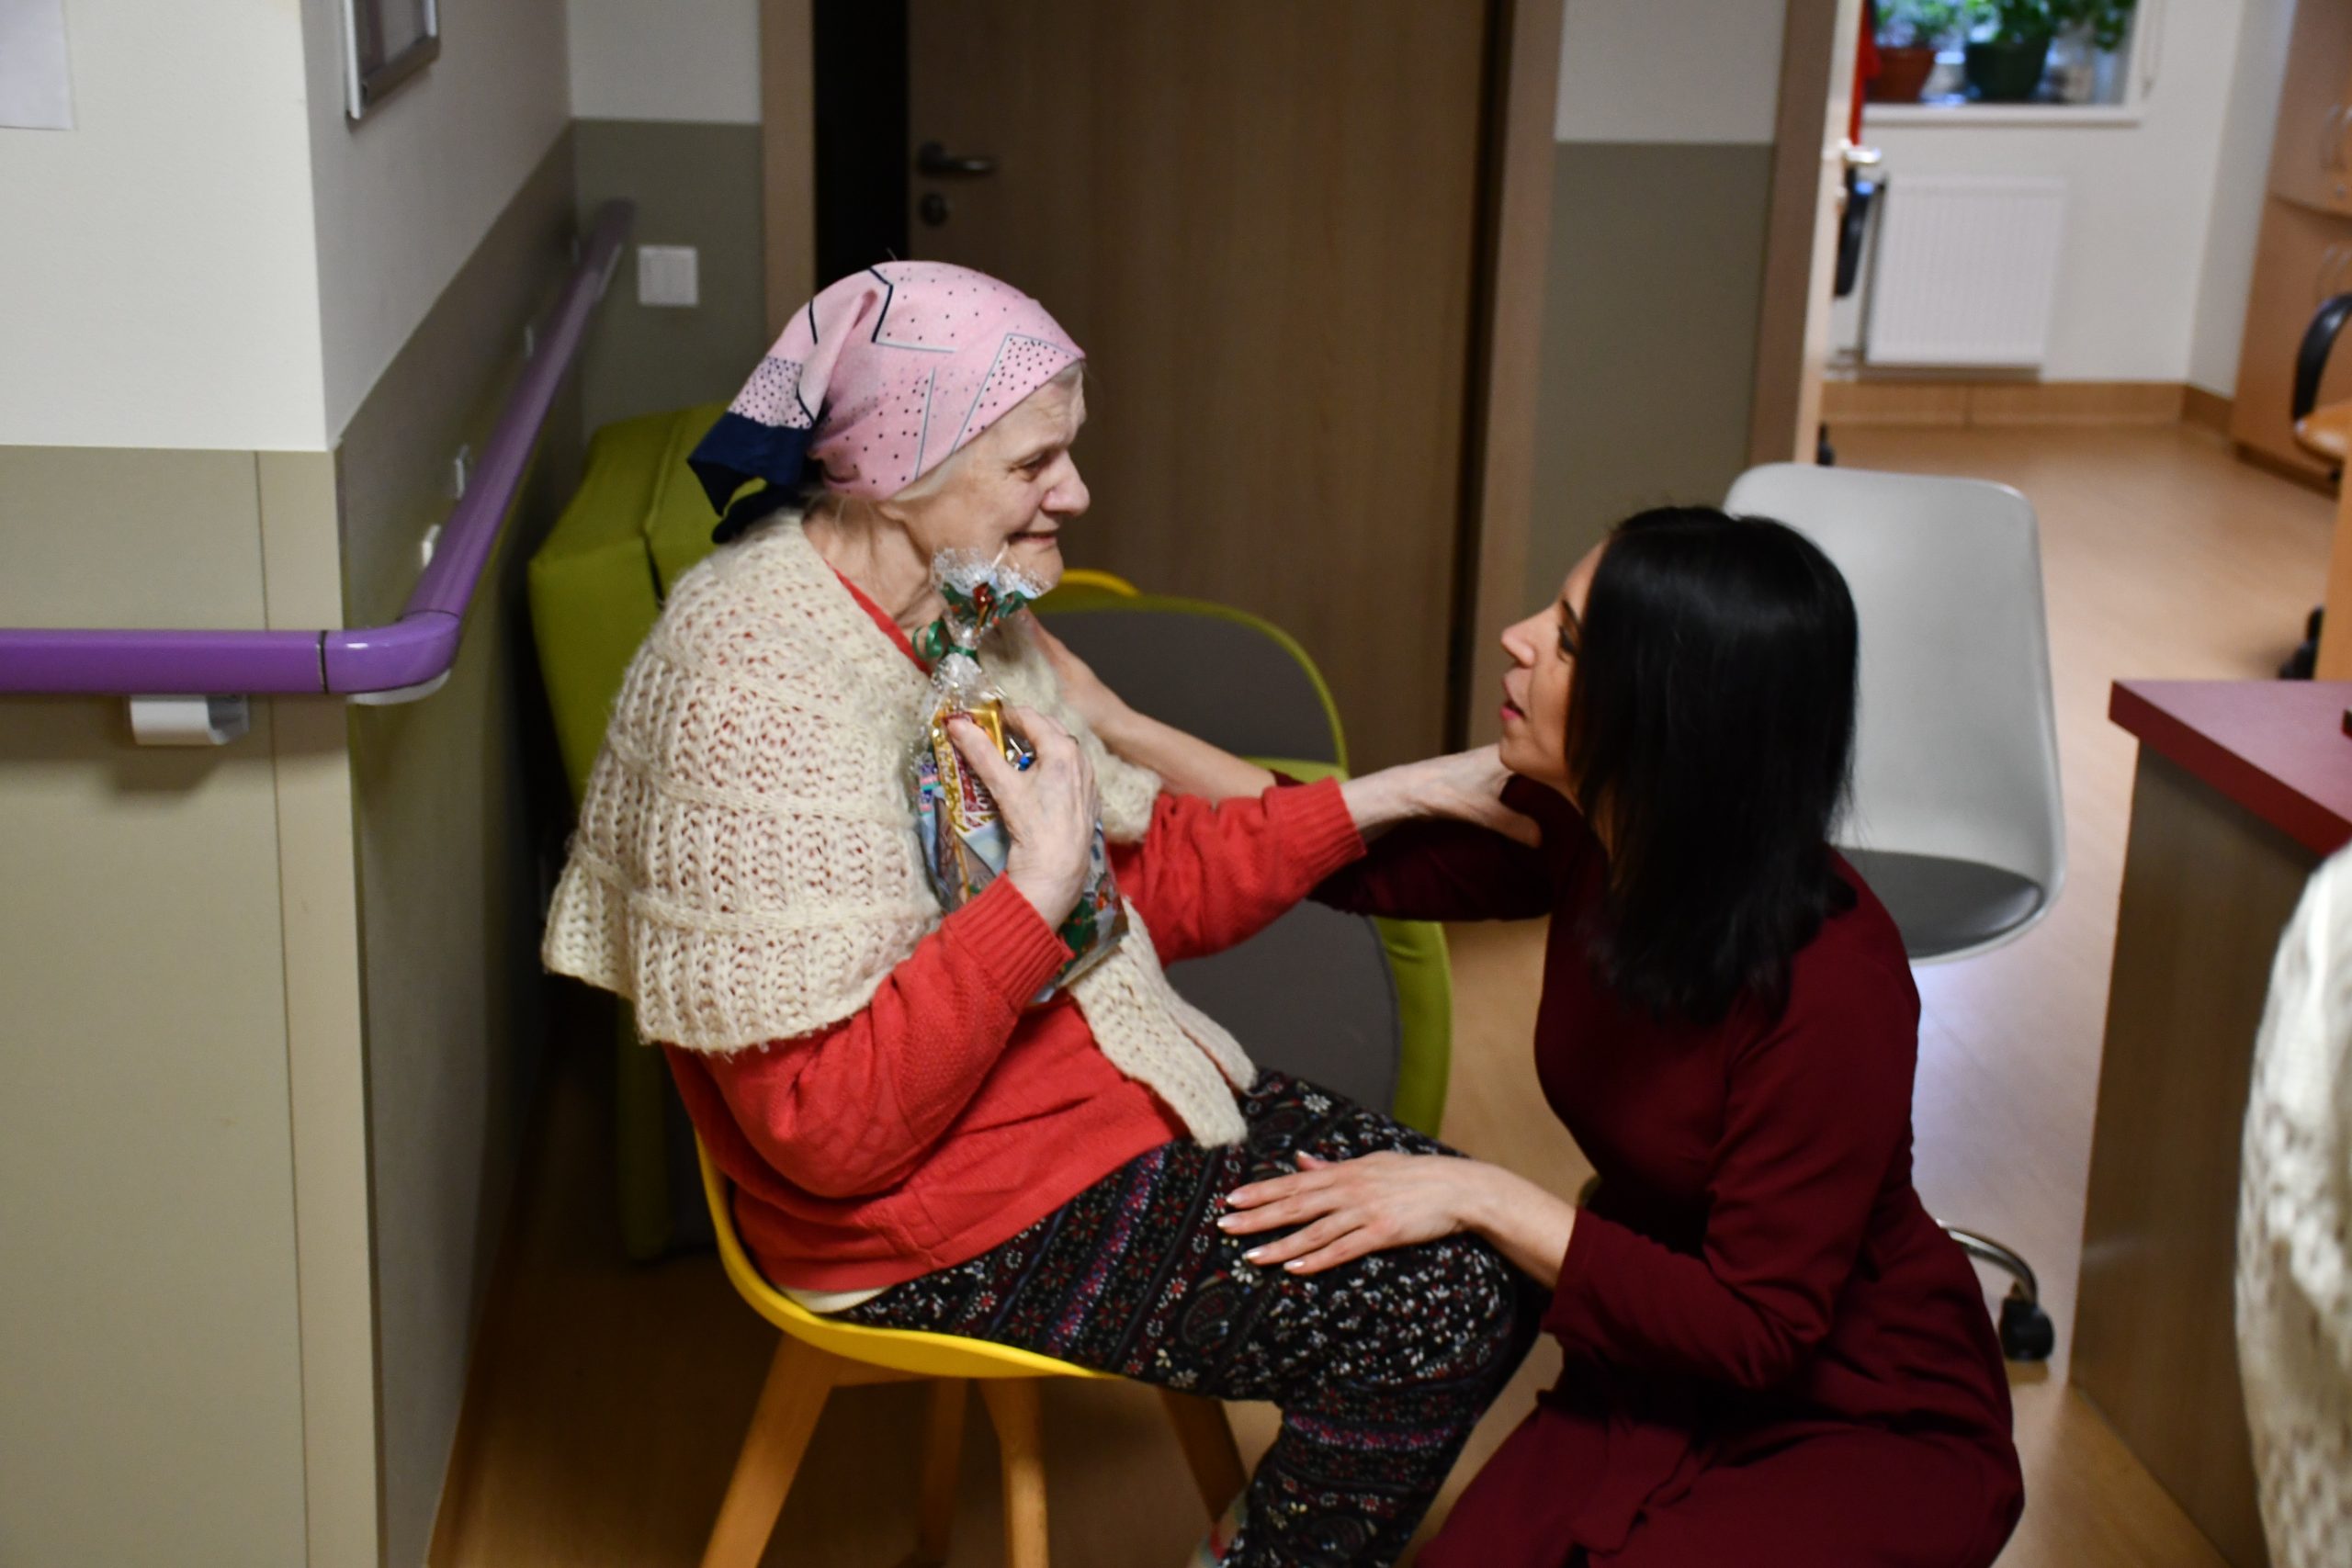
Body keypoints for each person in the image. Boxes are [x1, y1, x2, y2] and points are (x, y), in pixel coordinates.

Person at [540, 262, 1539, 1567]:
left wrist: (1392, 796)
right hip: (916, 1213)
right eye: (1033, 463)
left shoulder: (961, 616)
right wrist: (1036, 894)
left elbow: (1149, 874)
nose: (1074, 494)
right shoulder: (753, 690)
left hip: (1068, 1102)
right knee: (1443, 1309)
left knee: (1481, 1250)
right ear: (896, 474)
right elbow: (829, 1131)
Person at [1217, 508, 2026, 1566]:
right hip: (1655, 1358)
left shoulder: (1834, 985)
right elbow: (1330, 849)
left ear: (1667, 712)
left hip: (1854, 1406)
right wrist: (1114, 732)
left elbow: (1760, 1327)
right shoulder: (1602, 838)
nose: (1514, 638)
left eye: (1566, 639)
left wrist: (1482, 1194)